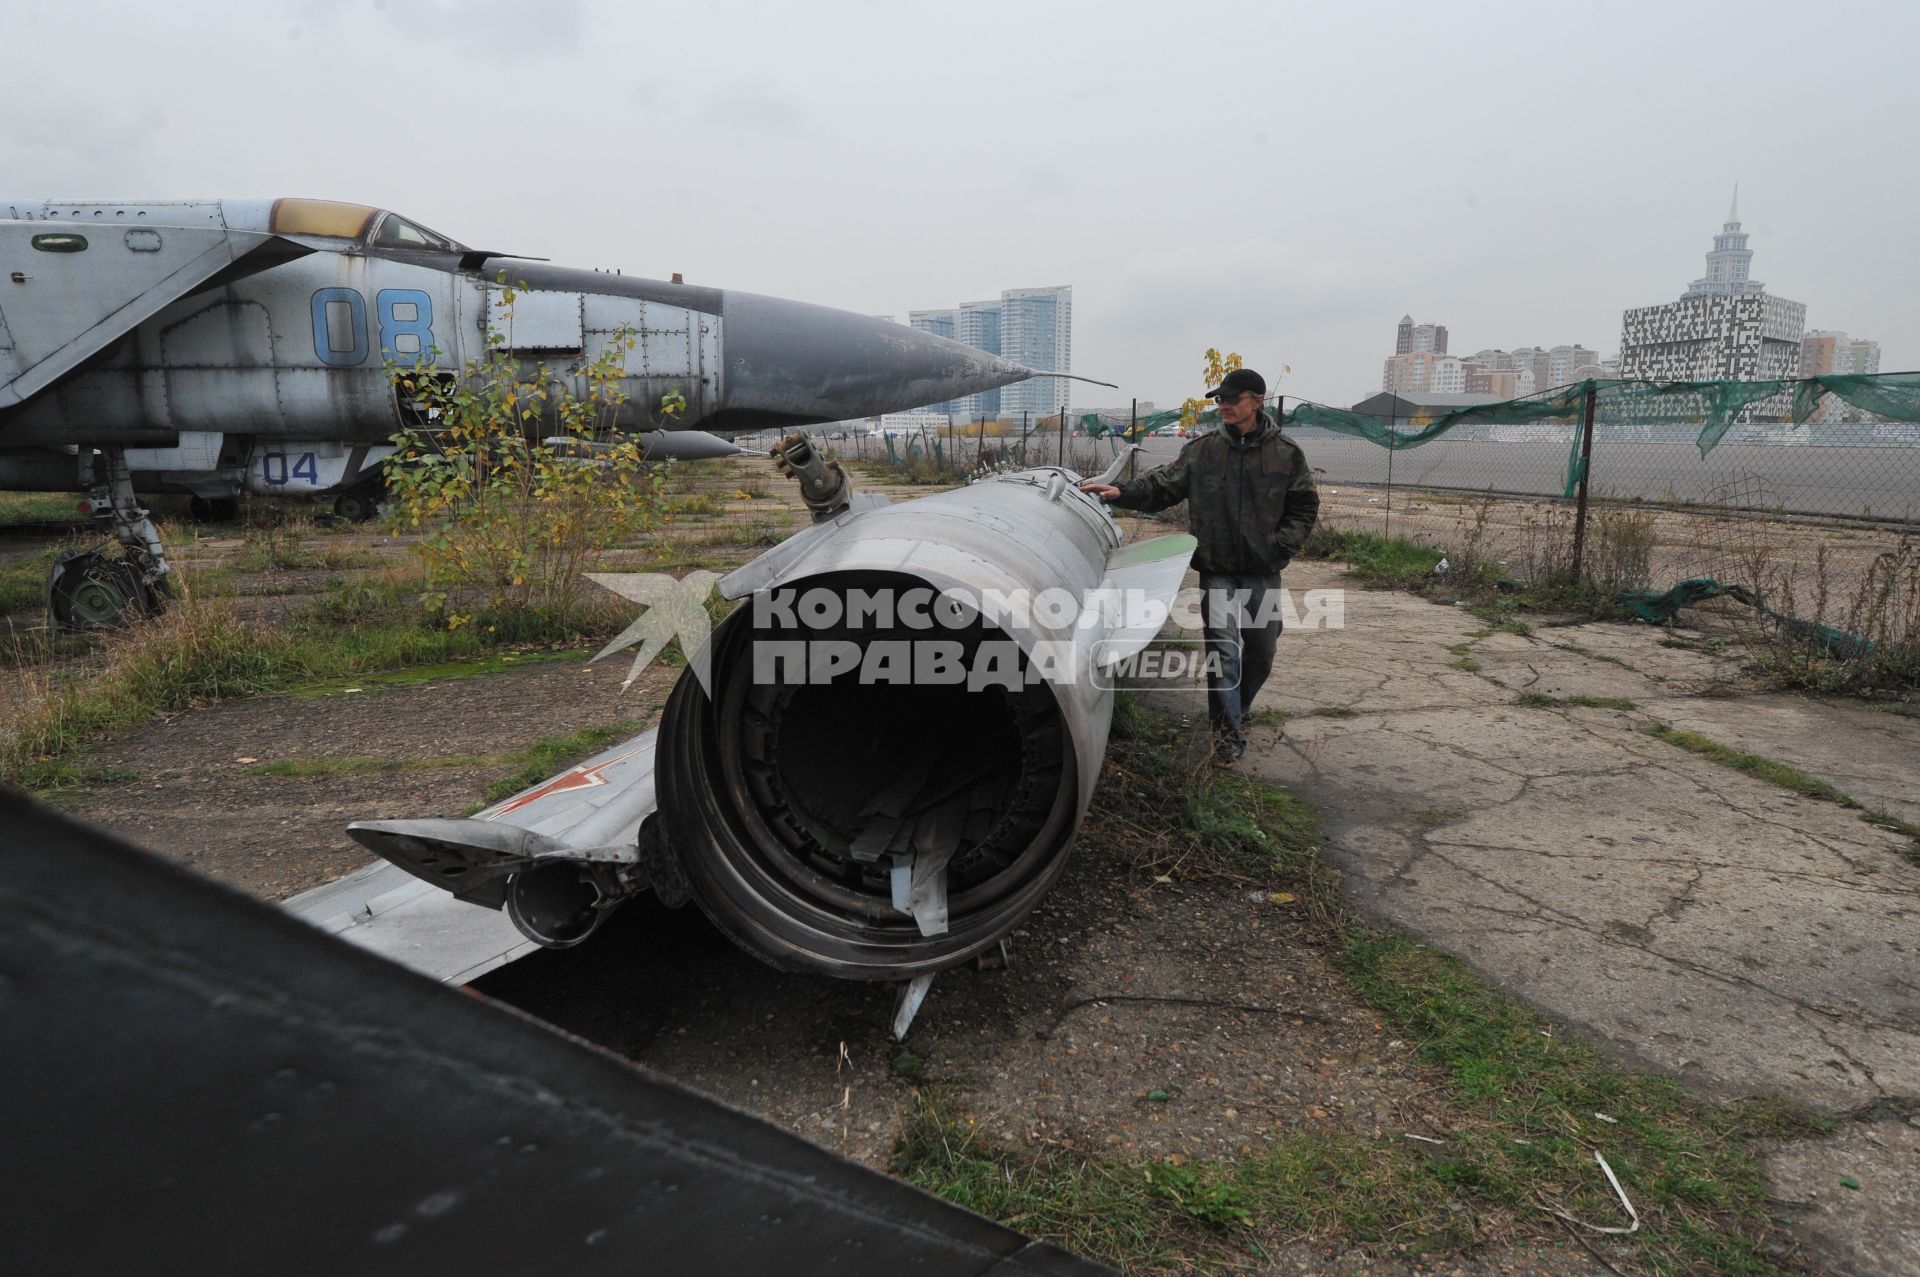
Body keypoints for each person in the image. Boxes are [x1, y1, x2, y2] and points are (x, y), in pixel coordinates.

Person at [1079, 368, 1318, 761]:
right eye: (1220, 399)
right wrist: (1120, 491)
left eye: (1232, 399)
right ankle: (1227, 738)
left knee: (1262, 652)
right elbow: (1164, 486)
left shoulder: (1286, 454)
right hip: (1217, 570)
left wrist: (1282, 545)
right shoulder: (1203, 450)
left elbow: (1305, 505)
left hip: (1263, 570)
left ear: (1257, 401)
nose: (1223, 405)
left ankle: (1237, 709)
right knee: (1223, 654)